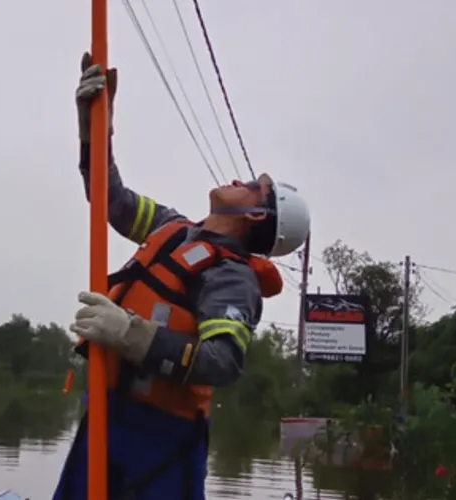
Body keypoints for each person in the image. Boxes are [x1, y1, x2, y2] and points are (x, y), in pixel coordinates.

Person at [52, 53, 312, 500]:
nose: (238, 179)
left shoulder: (232, 278)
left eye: (251, 185)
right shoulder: (172, 228)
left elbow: (222, 362)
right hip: (106, 415)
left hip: (162, 440)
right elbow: (107, 198)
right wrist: (95, 128)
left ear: (255, 212)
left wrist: (130, 334)